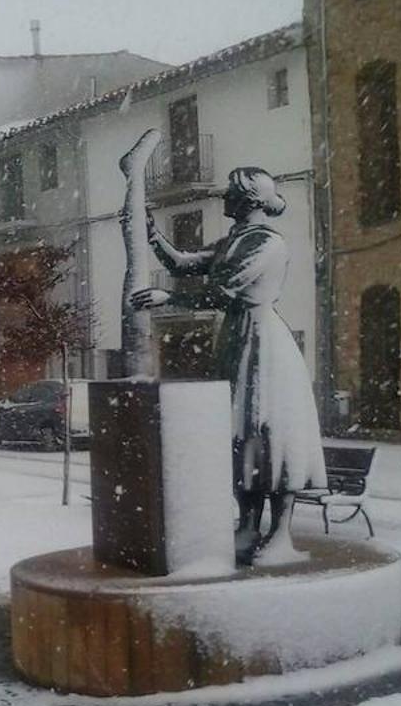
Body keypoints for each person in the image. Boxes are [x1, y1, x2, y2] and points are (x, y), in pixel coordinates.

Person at [130, 167, 326, 566]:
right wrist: (150, 232)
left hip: (263, 342)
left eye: (230, 194)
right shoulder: (235, 240)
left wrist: (169, 299)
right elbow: (184, 263)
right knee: (241, 433)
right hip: (237, 340)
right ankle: (248, 525)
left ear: (249, 200)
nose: (223, 199)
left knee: (272, 433)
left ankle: (279, 534)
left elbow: (224, 291)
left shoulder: (266, 243)